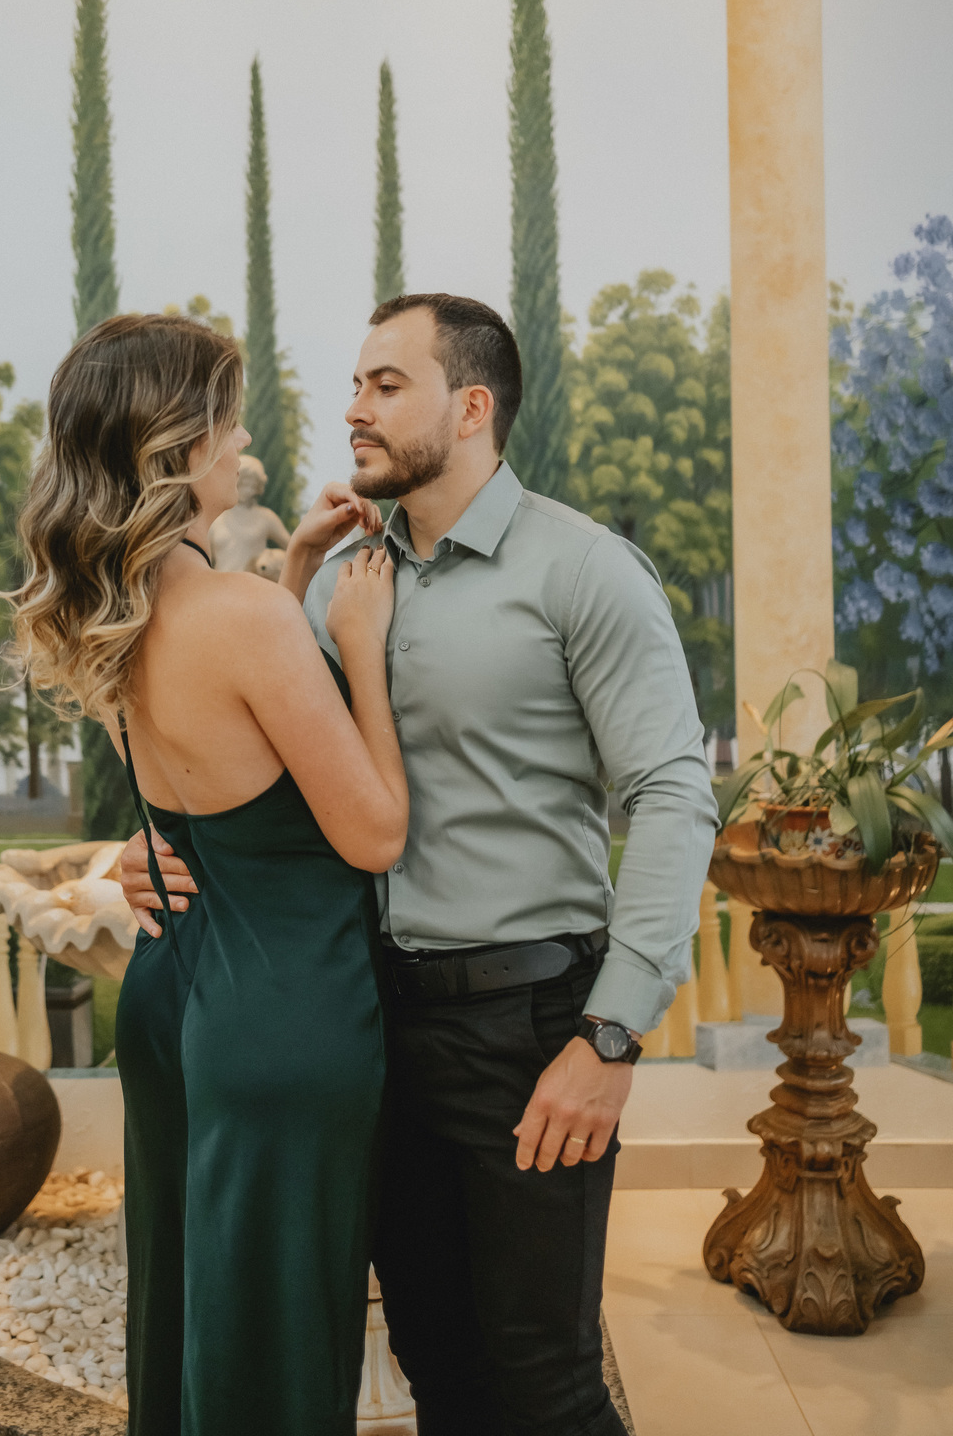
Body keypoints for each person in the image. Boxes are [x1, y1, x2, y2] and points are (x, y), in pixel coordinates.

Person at [122, 293, 718, 1436]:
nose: (355, 408)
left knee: (546, 1387)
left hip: (524, 1027)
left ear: (473, 407)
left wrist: (610, 1035)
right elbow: (250, 754)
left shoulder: (585, 572)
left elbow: (672, 795)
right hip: (373, 1023)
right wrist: (157, 852)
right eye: (355, 384)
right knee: (436, 1364)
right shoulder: (345, 581)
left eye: (387, 385)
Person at [7, 313, 407, 1436]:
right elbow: (375, 834)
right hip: (284, 1010)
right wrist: (362, 650)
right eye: (227, 422)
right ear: (176, 450)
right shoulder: (244, 619)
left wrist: (298, 568)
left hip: (175, 994)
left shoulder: (116, 611)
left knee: (194, 1316)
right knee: (275, 1349)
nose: (245, 443)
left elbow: (214, 759)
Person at [209, 452, 292, 572]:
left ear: (258, 486)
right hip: (219, 583)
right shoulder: (216, 518)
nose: (247, 489)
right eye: (244, 482)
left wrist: (275, 561)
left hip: (254, 583)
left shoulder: (266, 517)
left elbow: (293, 548)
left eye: (252, 484)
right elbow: (202, 561)